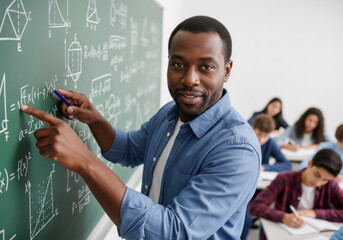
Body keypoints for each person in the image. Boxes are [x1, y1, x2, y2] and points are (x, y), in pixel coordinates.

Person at [20, 16, 261, 239]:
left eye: (206, 67)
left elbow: (174, 232)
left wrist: (85, 161)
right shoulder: (170, 114)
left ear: (227, 70)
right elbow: (128, 150)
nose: (189, 79)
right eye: (178, 64)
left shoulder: (237, 150)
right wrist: (95, 120)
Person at [249, 148, 343, 240]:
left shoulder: (331, 185)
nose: (318, 183)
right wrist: (284, 217)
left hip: (313, 235)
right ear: (309, 164)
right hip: (283, 233)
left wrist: (315, 214)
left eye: (325, 180)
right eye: (317, 175)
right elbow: (255, 206)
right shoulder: (284, 179)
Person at [241, 114, 291, 240]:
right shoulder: (242, 139)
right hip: (242, 189)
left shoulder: (270, 143)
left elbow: (286, 165)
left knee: (265, 215)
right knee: (245, 217)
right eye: (259, 134)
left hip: (258, 191)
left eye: (265, 136)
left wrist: (265, 167)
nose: (261, 139)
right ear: (252, 128)